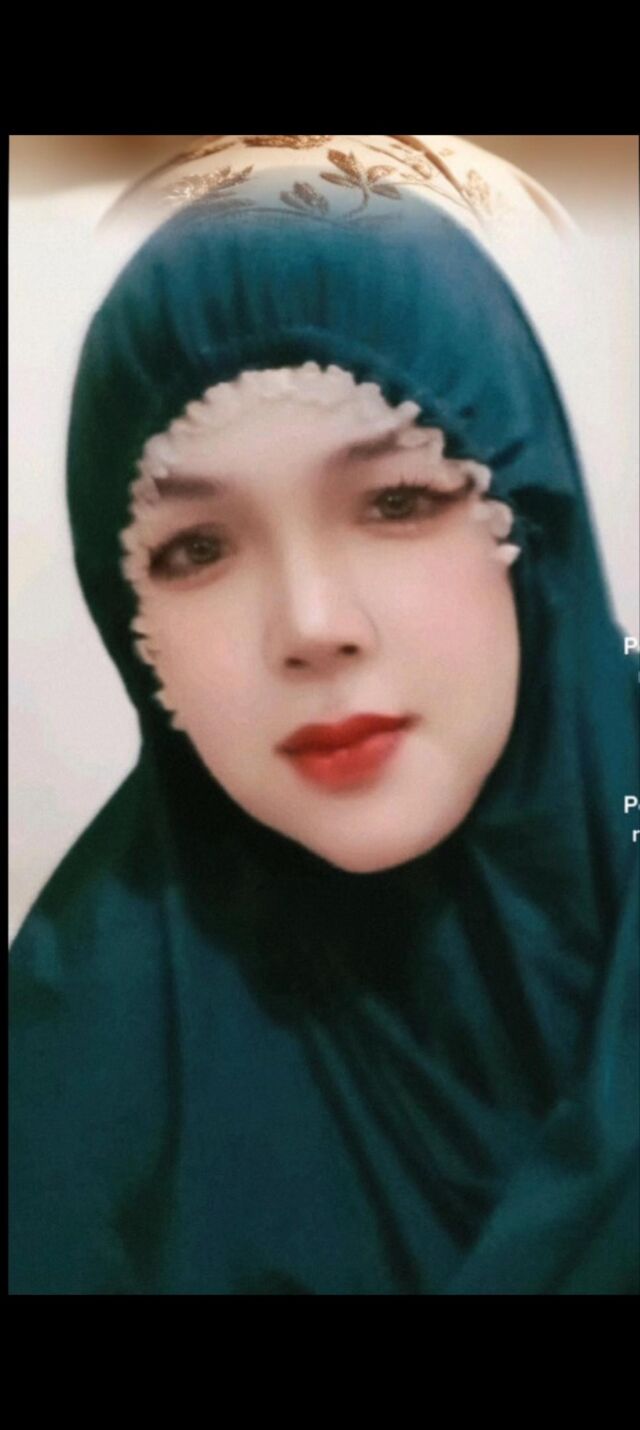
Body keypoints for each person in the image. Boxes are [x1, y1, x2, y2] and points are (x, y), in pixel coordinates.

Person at [9, 136, 639, 1295]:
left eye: (396, 500)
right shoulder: (70, 1078)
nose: (310, 626)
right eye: (196, 548)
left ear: (531, 530)